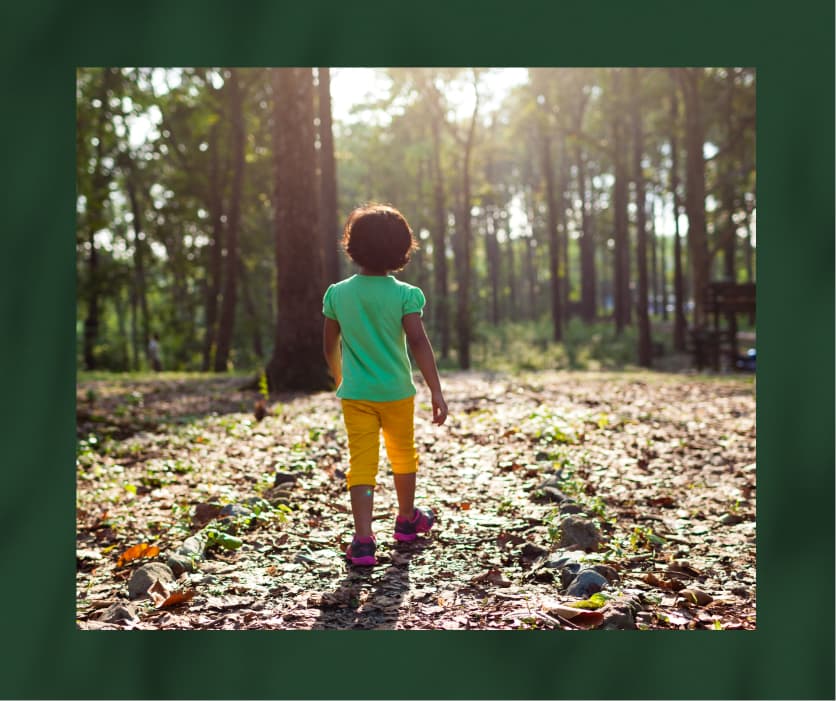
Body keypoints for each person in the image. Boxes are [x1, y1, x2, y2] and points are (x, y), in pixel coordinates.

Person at [322, 203, 448, 566]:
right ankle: (406, 521)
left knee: (361, 462)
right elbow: (419, 343)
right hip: (396, 392)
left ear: (352, 246)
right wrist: (435, 390)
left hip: (356, 394)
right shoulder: (405, 294)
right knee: (402, 454)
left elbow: (329, 344)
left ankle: (363, 541)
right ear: (401, 251)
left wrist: (339, 378)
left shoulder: (337, 294)